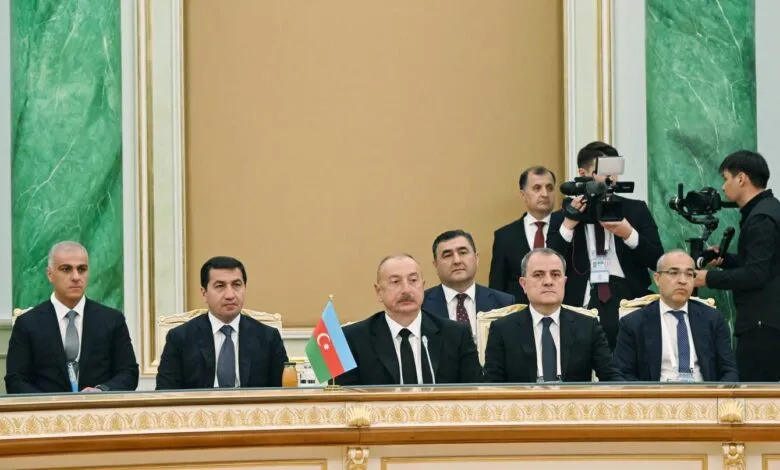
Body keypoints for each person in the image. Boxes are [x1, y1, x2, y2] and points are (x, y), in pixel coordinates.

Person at [547, 142, 663, 350]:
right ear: (583, 173)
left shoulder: (635, 209)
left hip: (628, 299)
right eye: (604, 172)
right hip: (580, 301)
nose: (611, 179)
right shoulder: (564, 215)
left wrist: (629, 234)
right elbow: (548, 261)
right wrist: (569, 224)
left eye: (614, 172)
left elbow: (657, 260)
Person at [5, 241, 138, 393]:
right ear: (50, 274)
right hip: (46, 408)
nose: (76, 277)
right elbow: (15, 380)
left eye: (82, 269)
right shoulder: (28, 323)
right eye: (66, 269)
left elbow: (129, 373)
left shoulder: (112, 320)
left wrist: (102, 391)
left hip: (97, 407)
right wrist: (49, 402)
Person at [694, 150, 780, 381]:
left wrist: (706, 278)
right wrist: (726, 260)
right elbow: (765, 263)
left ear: (741, 178)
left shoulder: (761, 218)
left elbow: (756, 274)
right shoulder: (768, 210)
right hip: (768, 323)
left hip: (763, 327)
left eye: (725, 179)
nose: (723, 187)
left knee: (756, 396)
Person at [337, 254, 483, 385]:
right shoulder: (352, 339)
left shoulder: (456, 335)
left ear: (423, 286)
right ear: (378, 291)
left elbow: (474, 392)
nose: (406, 290)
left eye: (413, 280)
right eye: (395, 282)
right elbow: (344, 398)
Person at [484, 248, 618, 383]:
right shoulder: (503, 330)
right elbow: (492, 386)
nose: (548, 281)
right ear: (523, 284)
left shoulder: (588, 327)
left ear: (564, 282)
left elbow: (613, 378)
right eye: (538, 275)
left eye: (555, 274)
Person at [156, 256, 288, 389]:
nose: (230, 295)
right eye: (220, 286)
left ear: (245, 289)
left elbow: (284, 392)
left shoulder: (268, 337)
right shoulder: (180, 338)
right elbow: (165, 393)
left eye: (236, 285)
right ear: (204, 293)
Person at [614, 250, 738, 382]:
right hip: (657, 393)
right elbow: (622, 373)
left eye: (689, 274)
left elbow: (729, 370)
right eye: (673, 273)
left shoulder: (712, 318)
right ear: (657, 278)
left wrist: (716, 393)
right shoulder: (634, 322)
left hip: (703, 393)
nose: (682, 281)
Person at [423, 230, 515, 341]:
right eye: (447, 255)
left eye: (462, 252)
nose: (456, 261)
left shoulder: (504, 303)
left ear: (476, 258)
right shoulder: (422, 305)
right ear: (435, 265)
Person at [490, 166, 564, 303]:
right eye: (537, 188)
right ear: (523, 194)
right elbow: (497, 286)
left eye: (549, 188)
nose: (545, 194)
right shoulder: (505, 236)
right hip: (518, 311)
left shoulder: (567, 229)